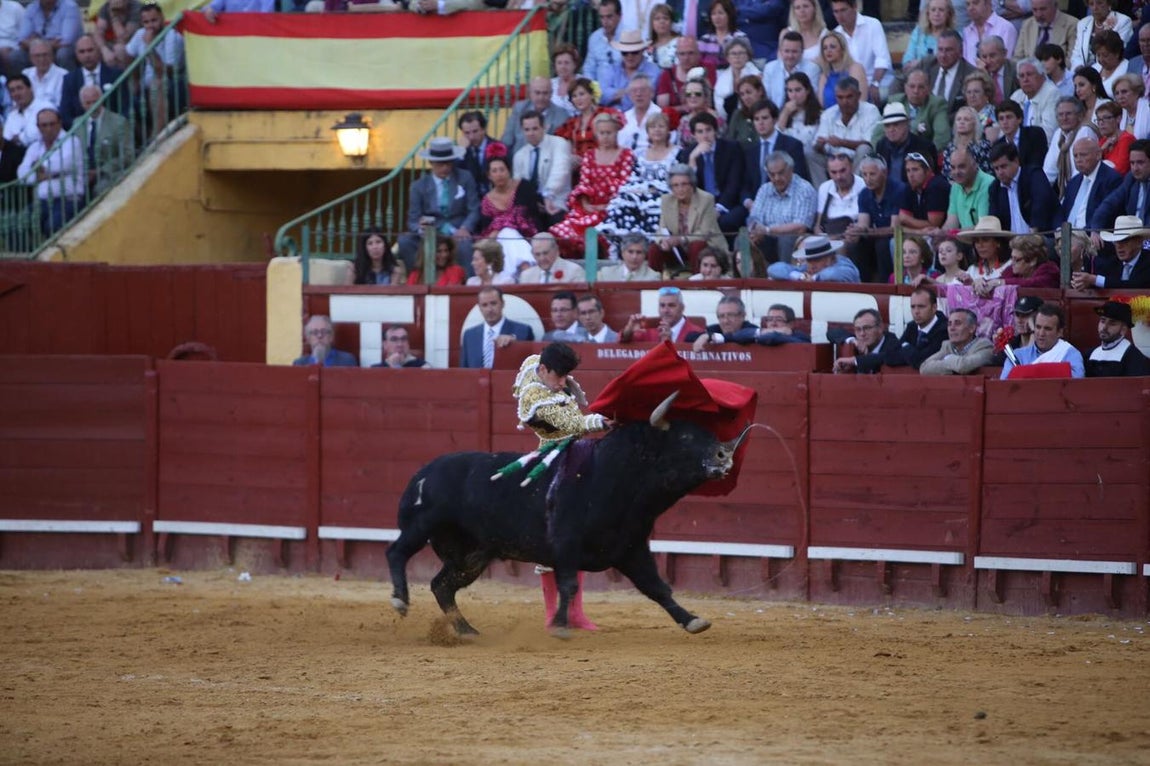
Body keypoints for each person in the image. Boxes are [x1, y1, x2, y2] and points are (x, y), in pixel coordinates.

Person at [510, 341, 611, 632]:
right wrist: (602, 421)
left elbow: (535, 360)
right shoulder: (534, 397)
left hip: (574, 461)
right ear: (543, 370)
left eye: (567, 375)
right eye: (559, 376)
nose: (564, 382)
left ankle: (575, 613)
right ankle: (552, 614)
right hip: (552, 465)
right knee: (551, 538)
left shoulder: (536, 363)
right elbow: (574, 423)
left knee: (575, 536)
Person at [550, 111, 634, 253]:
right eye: (602, 133)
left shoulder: (626, 155)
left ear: (616, 133)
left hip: (615, 210)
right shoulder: (589, 155)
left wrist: (607, 206)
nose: (605, 137)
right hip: (589, 209)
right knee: (564, 232)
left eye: (609, 133)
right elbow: (584, 182)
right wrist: (586, 204)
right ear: (596, 134)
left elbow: (624, 185)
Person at [399, 137, 479, 270]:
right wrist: (420, 228)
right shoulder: (418, 186)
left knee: (465, 245)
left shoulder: (465, 178)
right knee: (405, 241)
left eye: (448, 163)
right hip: (432, 231)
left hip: (457, 230)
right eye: (440, 164)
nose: (445, 168)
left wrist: (465, 228)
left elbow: (474, 209)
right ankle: (416, 277)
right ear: (431, 162)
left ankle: (467, 281)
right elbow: (413, 219)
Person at [600, 110, 677, 246]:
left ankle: (651, 245)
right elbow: (634, 177)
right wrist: (638, 190)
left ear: (668, 130)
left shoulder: (677, 152)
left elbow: (679, 179)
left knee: (653, 208)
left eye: (661, 126)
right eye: (653, 127)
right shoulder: (640, 153)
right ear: (648, 132)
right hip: (641, 192)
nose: (657, 130)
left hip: (666, 194)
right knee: (622, 202)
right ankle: (625, 245)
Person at [16, 106, 83, 236]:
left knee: (53, 225)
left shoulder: (71, 141)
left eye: (52, 124)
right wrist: (40, 176)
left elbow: (64, 164)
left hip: (68, 199)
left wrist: (39, 168)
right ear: (38, 127)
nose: (48, 128)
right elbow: (22, 174)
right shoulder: (35, 146)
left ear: (60, 123)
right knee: (20, 224)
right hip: (42, 201)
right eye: (44, 125)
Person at [475, 154, 546, 275]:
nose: (499, 174)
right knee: (506, 234)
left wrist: (501, 224)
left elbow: (531, 214)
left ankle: (515, 274)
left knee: (508, 233)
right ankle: (526, 268)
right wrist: (501, 228)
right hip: (500, 240)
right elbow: (488, 231)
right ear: (489, 176)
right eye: (494, 171)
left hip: (527, 232)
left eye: (502, 170)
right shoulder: (487, 200)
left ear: (509, 171)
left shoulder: (523, 186)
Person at [125, 1, 185, 138]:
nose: (150, 26)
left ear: (162, 18)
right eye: (146, 22)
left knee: (156, 84)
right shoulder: (140, 33)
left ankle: (156, 137)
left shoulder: (173, 36)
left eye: (154, 20)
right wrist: (135, 79)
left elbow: (165, 73)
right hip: (146, 85)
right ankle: (143, 139)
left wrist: (150, 47)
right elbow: (128, 56)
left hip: (173, 86)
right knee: (123, 90)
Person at [653, 165, 728, 272]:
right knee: (654, 249)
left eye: (684, 184)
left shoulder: (706, 199)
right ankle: (653, 280)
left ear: (692, 184)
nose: (680, 189)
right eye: (675, 185)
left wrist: (681, 239)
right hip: (677, 250)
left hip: (706, 248)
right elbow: (661, 229)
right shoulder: (666, 200)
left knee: (696, 245)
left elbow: (705, 233)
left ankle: (698, 280)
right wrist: (663, 241)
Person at [748, 150, 818, 264]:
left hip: (792, 239)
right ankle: (748, 274)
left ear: (790, 170)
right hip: (766, 237)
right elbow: (754, 217)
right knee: (743, 238)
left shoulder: (804, 190)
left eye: (780, 173)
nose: (776, 178)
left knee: (787, 239)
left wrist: (767, 230)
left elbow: (800, 227)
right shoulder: (764, 189)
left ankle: (784, 273)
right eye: (772, 174)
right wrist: (754, 229)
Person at [512, 109, 572, 227]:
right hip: (531, 206)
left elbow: (560, 172)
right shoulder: (519, 155)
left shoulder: (559, 144)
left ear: (544, 127)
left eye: (535, 128)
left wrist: (547, 196)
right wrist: (533, 202)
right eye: (527, 130)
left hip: (556, 201)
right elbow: (517, 185)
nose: (531, 133)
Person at [853, 155, 905, 283]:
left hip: (898, 235)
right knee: (857, 244)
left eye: (872, 174)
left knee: (882, 245)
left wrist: (868, 231)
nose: (868, 179)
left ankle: (885, 285)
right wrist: (855, 231)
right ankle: (862, 285)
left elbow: (894, 229)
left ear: (884, 172)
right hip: (877, 234)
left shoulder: (899, 190)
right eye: (864, 175)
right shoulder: (864, 194)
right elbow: (863, 224)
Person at [987, 141, 1056, 235]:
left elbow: (1040, 206)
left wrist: (1031, 236)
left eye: (1003, 166)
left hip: (1039, 237)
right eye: (996, 168)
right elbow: (994, 220)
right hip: (1010, 241)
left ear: (1016, 161)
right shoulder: (995, 189)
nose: (1000, 172)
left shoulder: (1033, 176)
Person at [1000, 302, 1085, 378]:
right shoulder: (1018, 355)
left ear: (1060, 332)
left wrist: (1026, 372)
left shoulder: (1070, 354)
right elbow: (1004, 385)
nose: (1041, 333)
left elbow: (1076, 383)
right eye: (1038, 327)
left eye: (1047, 329)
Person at [1055, 138, 1123, 231]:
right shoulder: (1073, 182)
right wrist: (1059, 229)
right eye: (1075, 156)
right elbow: (1062, 212)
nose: (1078, 160)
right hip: (1066, 234)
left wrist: (1082, 234)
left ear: (1098, 155)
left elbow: (1106, 216)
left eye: (1083, 155)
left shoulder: (1111, 179)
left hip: (1091, 235)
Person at [829, 0, 890, 102]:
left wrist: (875, 83)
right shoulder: (836, 34)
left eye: (843, 10)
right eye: (836, 11)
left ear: (855, 7)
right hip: (850, 86)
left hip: (879, 82)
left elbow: (882, 59)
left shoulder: (873, 24)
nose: (840, 16)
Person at [460, 286, 536, 368]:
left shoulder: (523, 330)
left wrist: (514, 340)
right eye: (484, 305)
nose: (489, 309)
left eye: (493, 303)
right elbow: (465, 370)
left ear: (502, 304)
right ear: (479, 307)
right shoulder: (469, 335)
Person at [59, 34, 123, 130]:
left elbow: (125, 106)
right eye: (82, 52)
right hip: (81, 131)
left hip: (112, 129)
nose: (87, 55)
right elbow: (65, 113)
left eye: (90, 50)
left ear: (98, 50)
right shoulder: (70, 80)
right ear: (76, 54)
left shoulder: (115, 75)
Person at [79, 84, 132, 197]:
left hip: (109, 173)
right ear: (82, 104)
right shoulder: (77, 124)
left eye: (95, 101)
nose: (92, 106)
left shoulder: (119, 122)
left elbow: (128, 154)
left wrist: (101, 170)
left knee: (101, 188)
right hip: (83, 174)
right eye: (88, 103)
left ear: (102, 100)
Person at [882, 69, 952, 154]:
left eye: (921, 87)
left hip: (924, 154)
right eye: (912, 86)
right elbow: (879, 132)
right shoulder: (895, 101)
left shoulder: (937, 105)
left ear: (928, 89)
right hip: (895, 152)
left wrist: (927, 156)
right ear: (905, 88)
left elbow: (942, 137)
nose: (916, 91)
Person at [1087, 140, 1150, 233]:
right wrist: (1095, 229)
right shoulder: (1131, 179)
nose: (1135, 168)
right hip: (1132, 235)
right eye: (1132, 163)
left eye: (1140, 163)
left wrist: (1142, 240)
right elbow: (1109, 204)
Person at [814, 76, 881, 162]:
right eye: (840, 97)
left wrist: (842, 142)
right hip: (833, 162)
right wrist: (820, 145)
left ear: (858, 95)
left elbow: (870, 145)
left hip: (859, 162)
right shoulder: (828, 114)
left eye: (849, 97)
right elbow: (819, 145)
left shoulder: (871, 111)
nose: (844, 102)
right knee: (811, 152)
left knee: (864, 149)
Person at [1043, 96, 1099, 196]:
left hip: (1085, 191)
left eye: (1068, 114)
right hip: (1067, 192)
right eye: (1060, 115)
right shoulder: (1059, 134)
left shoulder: (1085, 130)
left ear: (1079, 116)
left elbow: (1080, 173)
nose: (1064, 118)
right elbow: (1048, 172)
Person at [777, 73, 826, 185]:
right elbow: (776, 140)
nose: (793, 95)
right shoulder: (783, 115)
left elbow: (816, 144)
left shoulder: (820, 115)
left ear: (807, 90)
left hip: (810, 158)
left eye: (798, 90)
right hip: (788, 159)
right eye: (790, 91)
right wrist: (785, 113)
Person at [1075, 215, 1150, 288]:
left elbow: (1135, 285)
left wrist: (1094, 280)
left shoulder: (1147, 261)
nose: (1119, 246)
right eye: (1116, 241)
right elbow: (1107, 282)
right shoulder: (1112, 262)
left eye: (1124, 241)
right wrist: (1085, 282)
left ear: (1139, 242)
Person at [873, 103, 939, 185]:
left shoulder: (924, 147)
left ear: (907, 124)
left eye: (896, 124)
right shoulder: (881, 145)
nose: (891, 129)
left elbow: (933, 179)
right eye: (887, 126)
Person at [884, 286, 948, 369]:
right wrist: (912, 353)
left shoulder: (944, 330)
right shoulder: (912, 326)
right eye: (913, 307)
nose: (916, 311)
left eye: (921, 306)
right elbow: (890, 357)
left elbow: (921, 361)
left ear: (934, 308)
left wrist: (905, 346)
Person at [502, 78, 569, 157]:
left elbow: (559, 147)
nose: (541, 97)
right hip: (517, 159)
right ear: (530, 93)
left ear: (551, 94)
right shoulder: (519, 108)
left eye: (545, 93)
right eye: (537, 93)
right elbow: (507, 140)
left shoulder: (561, 115)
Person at [919, 308, 995, 374]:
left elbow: (963, 366)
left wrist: (948, 358)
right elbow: (924, 368)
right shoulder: (947, 346)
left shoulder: (985, 347)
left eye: (957, 323)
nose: (952, 328)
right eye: (949, 324)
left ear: (972, 328)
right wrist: (954, 367)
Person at [620, 285, 706, 343]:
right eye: (662, 305)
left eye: (671, 305)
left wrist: (670, 343)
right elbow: (622, 341)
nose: (666, 310)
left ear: (682, 308)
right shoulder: (650, 329)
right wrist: (628, 331)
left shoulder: (697, 332)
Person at [600, 31, 661, 112]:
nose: (630, 56)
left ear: (642, 51)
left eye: (634, 52)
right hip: (613, 116)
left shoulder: (653, 70)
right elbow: (602, 96)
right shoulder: (611, 69)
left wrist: (618, 94)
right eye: (625, 53)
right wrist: (630, 92)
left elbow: (645, 98)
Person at [1085, 300, 1150, 376]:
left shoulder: (1134, 357)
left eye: (1112, 323)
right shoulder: (1090, 354)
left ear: (1123, 330)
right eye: (1103, 321)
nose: (1104, 327)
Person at [762, 30, 820, 111]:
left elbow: (811, 98)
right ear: (780, 51)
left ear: (802, 52)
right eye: (787, 51)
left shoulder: (812, 69)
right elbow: (766, 97)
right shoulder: (770, 68)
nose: (790, 56)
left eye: (794, 51)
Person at [17, 0, 82, 71]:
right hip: (40, 46)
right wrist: (44, 45)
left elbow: (67, 40)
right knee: (16, 55)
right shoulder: (32, 8)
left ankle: (69, 77)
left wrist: (36, 42)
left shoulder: (69, 6)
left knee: (63, 53)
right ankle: (24, 78)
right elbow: (22, 39)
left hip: (61, 48)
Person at [656, 36, 716, 114]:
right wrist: (683, 108)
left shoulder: (708, 69)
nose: (686, 58)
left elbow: (711, 99)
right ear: (677, 55)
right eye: (682, 54)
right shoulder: (667, 74)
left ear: (698, 54)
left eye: (690, 53)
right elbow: (662, 108)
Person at [766, 233, 861, 281]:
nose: (811, 265)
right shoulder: (806, 268)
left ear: (829, 259)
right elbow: (773, 269)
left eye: (816, 259)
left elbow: (833, 275)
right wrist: (801, 277)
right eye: (809, 260)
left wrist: (814, 278)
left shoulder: (844, 264)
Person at [1070, 0, 1132, 71]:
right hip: (1083, 72)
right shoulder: (1083, 23)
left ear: (1109, 3)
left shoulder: (1123, 21)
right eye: (1091, 4)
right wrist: (1079, 68)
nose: (1095, 8)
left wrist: (1090, 72)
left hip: (1110, 71)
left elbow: (1115, 54)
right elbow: (1077, 54)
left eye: (1099, 3)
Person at [833, 308, 900, 373]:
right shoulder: (856, 340)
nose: (862, 334)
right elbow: (832, 333)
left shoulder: (893, 345)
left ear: (880, 328)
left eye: (867, 328)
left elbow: (884, 358)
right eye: (858, 329)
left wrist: (855, 361)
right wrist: (853, 341)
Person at [814, 153, 864, 239]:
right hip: (828, 237)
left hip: (853, 238)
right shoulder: (825, 188)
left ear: (852, 167)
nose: (839, 177)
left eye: (843, 171)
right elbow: (818, 225)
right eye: (833, 172)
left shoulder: (863, 187)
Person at [927, 30, 977, 116]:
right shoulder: (928, 64)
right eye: (940, 49)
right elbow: (903, 81)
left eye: (948, 50)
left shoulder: (971, 74)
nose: (943, 55)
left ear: (960, 52)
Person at [555, 79, 606, 162]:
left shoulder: (605, 114)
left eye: (581, 94)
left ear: (592, 95)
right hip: (579, 165)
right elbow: (556, 139)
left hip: (602, 162)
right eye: (574, 96)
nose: (578, 99)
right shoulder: (572, 122)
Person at [815, 30, 868, 109]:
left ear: (843, 49)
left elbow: (862, 101)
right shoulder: (824, 76)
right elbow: (822, 105)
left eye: (832, 47)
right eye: (825, 48)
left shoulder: (855, 68)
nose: (828, 51)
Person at [1010, 57, 1060, 141]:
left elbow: (1048, 132)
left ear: (1042, 76)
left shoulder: (1052, 94)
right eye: (1021, 76)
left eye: (1029, 74)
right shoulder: (1016, 96)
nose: (1025, 79)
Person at [899, 151, 950, 233]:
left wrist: (907, 220)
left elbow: (934, 225)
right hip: (920, 235)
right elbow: (899, 225)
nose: (911, 175)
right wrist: (917, 231)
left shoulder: (937, 187)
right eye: (908, 170)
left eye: (915, 170)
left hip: (942, 236)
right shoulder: (910, 187)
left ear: (928, 171)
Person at [903, 0, 958, 73]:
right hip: (916, 75)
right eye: (933, 10)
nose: (936, 14)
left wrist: (920, 63)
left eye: (941, 10)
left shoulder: (954, 36)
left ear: (948, 14)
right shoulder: (918, 32)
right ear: (928, 13)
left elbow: (950, 64)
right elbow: (907, 61)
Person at [958, 215, 1012, 288]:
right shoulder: (972, 270)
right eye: (977, 241)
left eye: (985, 240)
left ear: (998, 243)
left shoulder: (1010, 265)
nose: (980, 245)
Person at [941, 105, 993, 180]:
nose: (961, 122)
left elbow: (988, 173)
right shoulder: (950, 147)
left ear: (974, 123)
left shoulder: (984, 146)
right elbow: (946, 174)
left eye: (966, 119)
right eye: (958, 119)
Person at [994, 98, 1049, 169]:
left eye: (1009, 117)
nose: (1005, 122)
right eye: (1001, 119)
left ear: (1019, 119)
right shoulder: (998, 145)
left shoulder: (1035, 135)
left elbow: (1037, 165)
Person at [690, 295, 758, 350]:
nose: (726, 321)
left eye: (731, 315)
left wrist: (713, 337)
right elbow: (689, 337)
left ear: (743, 316)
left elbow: (740, 337)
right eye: (721, 316)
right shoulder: (714, 330)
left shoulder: (752, 330)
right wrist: (703, 336)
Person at [713, 39, 760, 119]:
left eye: (741, 53)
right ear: (727, 57)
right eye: (733, 53)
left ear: (748, 56)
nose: (737, 57)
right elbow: (718, 102)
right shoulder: (722, 78)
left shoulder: (756, 75)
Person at [962, 0, 1017, 66]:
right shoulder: (966, 31)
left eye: (975, 3)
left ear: (988, 3)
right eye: (968, 4)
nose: (971, 8)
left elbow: (1005, 63)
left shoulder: (1005, 28)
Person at [520, 231, 587, 284]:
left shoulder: (574, 271)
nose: (542, 258)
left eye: (545, 253)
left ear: (556, 250)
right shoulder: (526, 276)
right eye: (537, 254)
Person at [699, 0, 748, 68]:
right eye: (713, 14)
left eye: (720, 13)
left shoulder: (740, 37)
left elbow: (746, 63)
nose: (717, 17)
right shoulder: (705, 39)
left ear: (729, 15)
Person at [583, 0, 622, 85]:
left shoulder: (629, 36)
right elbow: (589, 69)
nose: (605, 22)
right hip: (598, 90)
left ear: (619, 16)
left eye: (609, 17)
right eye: (602, 17)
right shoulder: (595, 38)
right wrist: (592, 89)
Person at [93, 0, 139, 70]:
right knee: (91, 48)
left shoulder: (135, 7)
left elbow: (124, 37)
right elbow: (98, 32)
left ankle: (124, 76)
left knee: (119, 49)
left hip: (136, 44)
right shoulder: (106, 6)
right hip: (116, 43)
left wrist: (114, 16)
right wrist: (104, 50)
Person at [22, 38, 66, 108]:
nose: (42, 59)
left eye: (45, 55)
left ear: (52, 56)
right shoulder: (25, 74)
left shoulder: (63, 75)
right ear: (31, 58)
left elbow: (60, 105)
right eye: (37, 56)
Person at [1095, 101, 1133, 173]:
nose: (1101, 123)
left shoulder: (1127, 139)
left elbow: (1121, 170)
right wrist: (1102, 149)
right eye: (1099, 119)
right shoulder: (1103, 141)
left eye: (1106, 118)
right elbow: (1091, 165)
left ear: (1118, 119)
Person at [1109, 74, 1149, 140]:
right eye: (1117, 93)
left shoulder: (1148, 110)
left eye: (1124, 92)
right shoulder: (1120, 114)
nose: (1120, 97)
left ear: (1137, 92)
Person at [550, 43, 581, 116]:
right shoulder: (550, 84)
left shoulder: (584, 82)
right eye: (559, 63)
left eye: (566, 63)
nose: (563, 67)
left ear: (575, 64)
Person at [646, 3, 679, 70]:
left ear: (671, 22)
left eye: (665, 18)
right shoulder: (647, 46)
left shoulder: (679, 43)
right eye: (657, 19)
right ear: (652, 23)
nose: (662, 21)